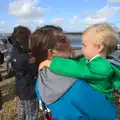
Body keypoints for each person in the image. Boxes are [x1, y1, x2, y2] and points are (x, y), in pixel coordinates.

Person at [31, 25, 118, 120]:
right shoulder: (77, 84)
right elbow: (106, 114)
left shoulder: (41, 79)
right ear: (51, 53)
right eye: (63, 40)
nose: (69, 42)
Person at [10, 26, 38, 120]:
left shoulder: (15, 50)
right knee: (32, 114)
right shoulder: (24, 59)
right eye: (29, 38)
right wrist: (35, 62)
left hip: (21, 87)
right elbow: (35, 70)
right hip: (29, 90)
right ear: (24, 39)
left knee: (22, 110)